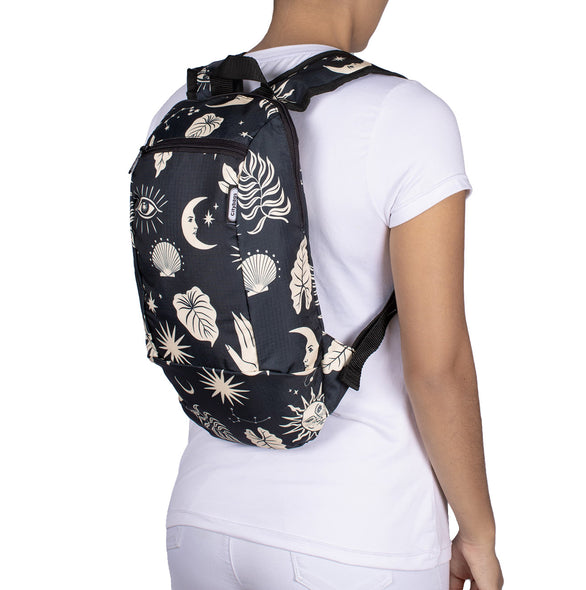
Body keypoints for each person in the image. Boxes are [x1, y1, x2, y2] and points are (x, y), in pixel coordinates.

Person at [147, 1, 504, 588]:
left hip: (202, 518)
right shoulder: (405, 113)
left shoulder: (187, 108)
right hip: (361, 529)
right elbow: (437, 367)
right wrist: (479, 533)